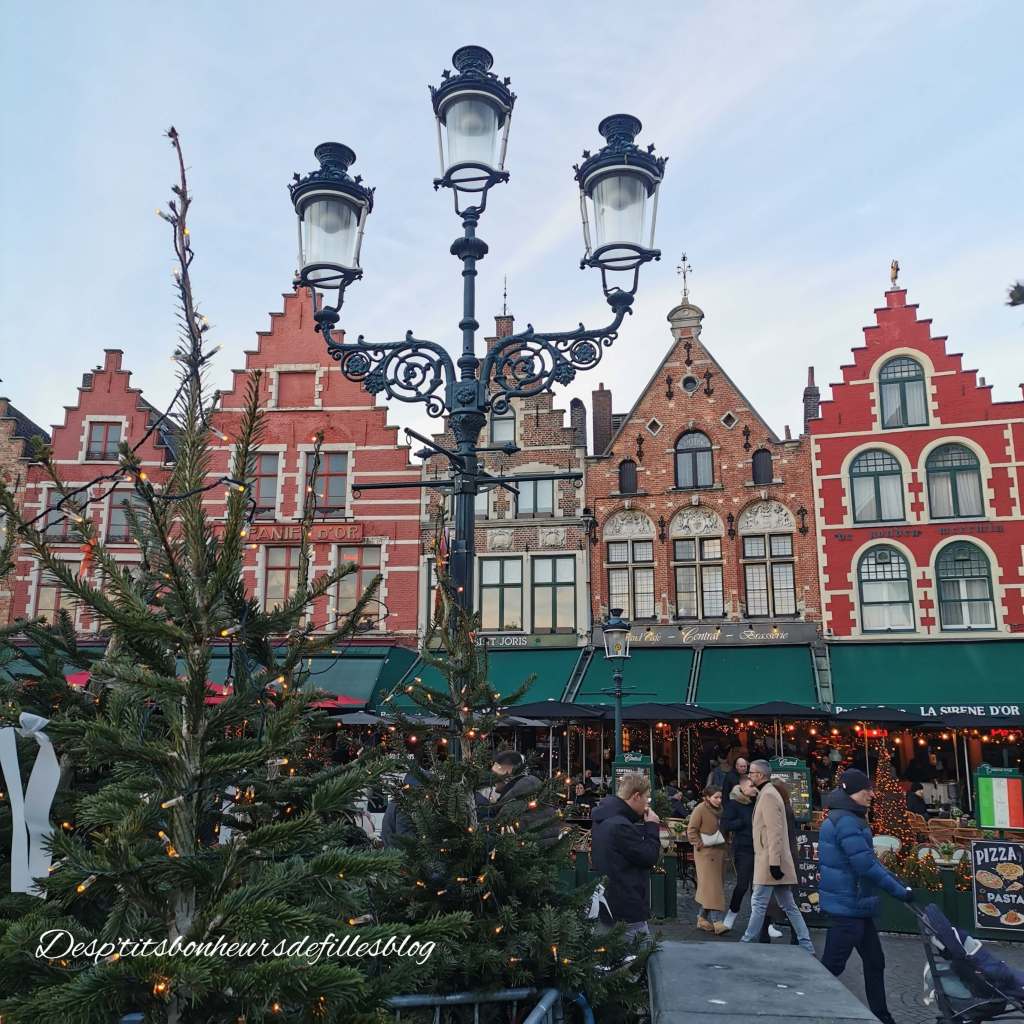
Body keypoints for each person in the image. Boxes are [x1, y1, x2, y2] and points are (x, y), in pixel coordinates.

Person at [819, 768, 913, 1024]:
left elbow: (868, 861)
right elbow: (865, 866)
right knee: (831, 968)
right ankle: (808, 1009)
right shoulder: (848, 821)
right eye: (866, 790)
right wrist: (899, 891)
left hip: (856, 904)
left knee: (875, 961)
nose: (872, 793)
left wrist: (897, 881)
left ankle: (882, 1015)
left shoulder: (848, 817)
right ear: (851, 793)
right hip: (848, 906)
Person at [739, 760, 815, 953]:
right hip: (773, 859)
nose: (749, 776)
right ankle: (806, 944)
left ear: (761, 775)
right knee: (789, 905)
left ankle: (745, 943)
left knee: (759, 903)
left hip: (770, 861)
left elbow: (775, 831)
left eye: (752, 772)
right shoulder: (768, 793)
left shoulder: (769, 795)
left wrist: (774, 864)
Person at [591, 773, 662, 940]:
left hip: (609, 899)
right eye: (646, 797)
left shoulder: (605, 819)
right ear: (636, 796)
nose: (647, 802)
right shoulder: (621, 825)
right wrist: (652, 827)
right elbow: (649, 857)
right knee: (640, 954)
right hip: (626, 902)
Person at [488, 751, 559, 845]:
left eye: (494, 773)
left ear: (507, 773)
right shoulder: (533, 789)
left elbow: (496, 832)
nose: (491, 778)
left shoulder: (512, 804)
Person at [761, 779, 799, 944]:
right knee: (788, 899)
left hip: (777, 856)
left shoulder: (776, 808)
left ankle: (763, 935)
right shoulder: (786, 807)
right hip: (789, 854)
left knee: (769, 898)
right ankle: (796, 937)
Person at [687, 785, 729, 934]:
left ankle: (702, 917)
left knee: (711, 887)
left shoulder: (720, 810)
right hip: (705, 853)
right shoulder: (700, 809)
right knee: (714, 887)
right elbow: (691, 829)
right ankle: (717, 922)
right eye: (716, 797)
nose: (719, 800)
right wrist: (699, 843)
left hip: (719, 851)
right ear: (707, 797)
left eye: (720, 797)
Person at [720, 774, 758, 931]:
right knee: (742, 884)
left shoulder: (758, 802)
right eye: (751, 786)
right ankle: (732, 912)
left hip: (760, 848)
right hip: (744, 848)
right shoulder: (734, 804)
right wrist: (741, 823)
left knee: (759, 888)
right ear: (742, 787)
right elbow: (725, 824)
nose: (754, 789)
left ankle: (764, 922)